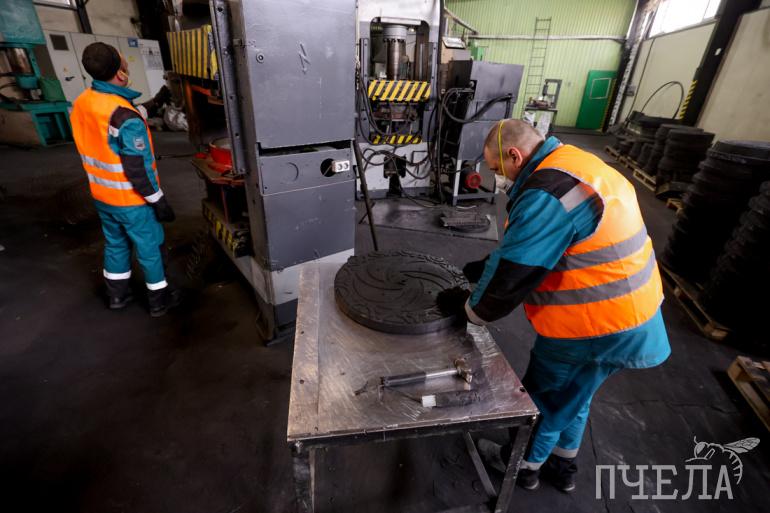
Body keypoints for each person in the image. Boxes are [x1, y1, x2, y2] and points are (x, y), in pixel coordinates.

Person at [438, 119, 671, 493]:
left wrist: (468, 309)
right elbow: (552, 240)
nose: (498, 178)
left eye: (497, 169)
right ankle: (563, 464)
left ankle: (522, 466)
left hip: (590, 323)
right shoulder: (577, 163)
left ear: (515, 156)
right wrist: (488, 264)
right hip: (636, 314)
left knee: (545, 396)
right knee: (576, 394)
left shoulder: (546, 192)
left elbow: (511, 279)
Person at [70, 42, 179, 317]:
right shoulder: (125, 117)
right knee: (150, 248)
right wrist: (158, 201)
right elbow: (137, 169)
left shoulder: (84, 102)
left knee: (116, 244)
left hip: (102, 196)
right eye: (124, 63)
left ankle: (117, 296)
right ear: (120, 73)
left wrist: (154, 103)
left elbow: (115, 118)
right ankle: (159, 300)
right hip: (132, 201)